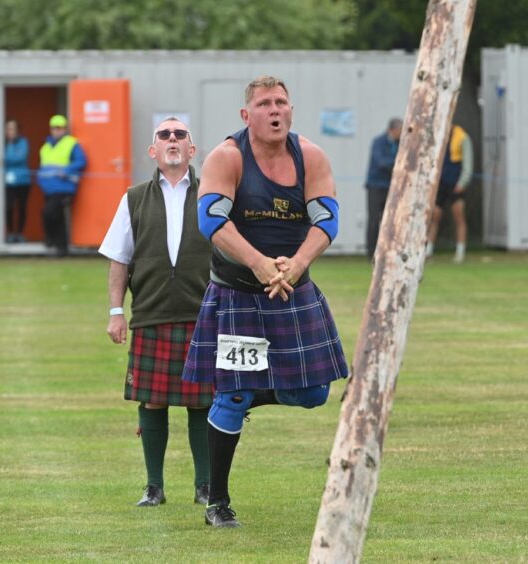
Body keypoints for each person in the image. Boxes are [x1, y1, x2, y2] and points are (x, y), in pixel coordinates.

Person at [182, 76, 349, 528]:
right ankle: (217, 503)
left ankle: (242, 392)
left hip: (292, 287)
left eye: (281, 103)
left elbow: (327, 218)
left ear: (290, 112)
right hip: (238, 290)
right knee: (232, 395)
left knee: (315, 393)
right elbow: (211, 217)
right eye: (263, 104)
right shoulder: (227, 156)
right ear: (246, 115)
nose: (274, 110)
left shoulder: (310, 155)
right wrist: (258, 263)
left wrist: (295, 264)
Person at [99, 117, 213, 508]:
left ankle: (205, 486)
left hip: (203, 314)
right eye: (164, 135)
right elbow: (119, 258)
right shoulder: (134, 197)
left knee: (203, 401)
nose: (172, 140)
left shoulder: (214, 196)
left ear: (192, 150)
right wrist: (117, 311)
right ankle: (153, 486)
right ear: (153, 150)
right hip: (150, 313)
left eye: (180, 134)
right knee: (153, 401)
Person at [37, 114, 87, 257]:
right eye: (54, 128)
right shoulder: (45, 147)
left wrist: (66, 170)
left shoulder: (72, 144)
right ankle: (60, 248)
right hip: (49, 189)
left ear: (64, 129)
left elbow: (81, 161)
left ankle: (54, 242)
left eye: (59, 128)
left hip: (64, 188)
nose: (56, 130)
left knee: (49, 213)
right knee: (54, 216)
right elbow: (42, 167)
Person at [427, 123, 473, 263]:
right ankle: (428, 250)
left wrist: (462, 183)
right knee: (434, 217)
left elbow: (468, 163)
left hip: (455, 183)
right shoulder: (437, 135)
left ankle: (460, 252)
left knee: (459, 217)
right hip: (440, 183)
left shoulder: (463, 137)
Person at [363, 118, 402, 259]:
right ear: (392, 130)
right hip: (375, 186)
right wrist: (399, 163)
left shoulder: (400, 143)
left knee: (391, 221)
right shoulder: (378, 142)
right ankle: (371, 252)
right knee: (374, 220)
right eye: (399, 131)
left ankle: (388, 250)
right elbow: (381, 162)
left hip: (391, 188)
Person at [4, 119, 31, 243]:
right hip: (8, 182)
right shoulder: (3, 143)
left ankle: (19, 233)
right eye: (8, 129)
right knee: (9, 207)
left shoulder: (23, 142)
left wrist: (8, 155)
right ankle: (10, 232)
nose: (10, 131)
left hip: (23, 181)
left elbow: (19, 158)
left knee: (22, 208)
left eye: (12, 128)